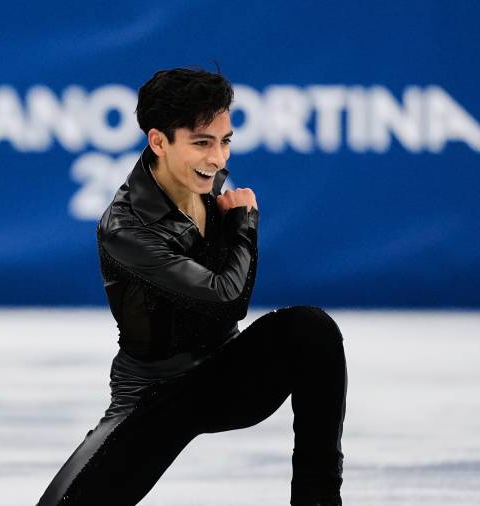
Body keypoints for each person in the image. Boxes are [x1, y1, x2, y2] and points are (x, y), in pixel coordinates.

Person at [37, 67, 347, 505]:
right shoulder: (125, 227)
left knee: (311, 330)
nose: (218, 158)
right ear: (158, 141)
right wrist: (243, 226)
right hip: (154, 396)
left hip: (225, 378)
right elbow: (226, 299)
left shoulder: (209, 184)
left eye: (225, 141)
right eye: (202, 143)